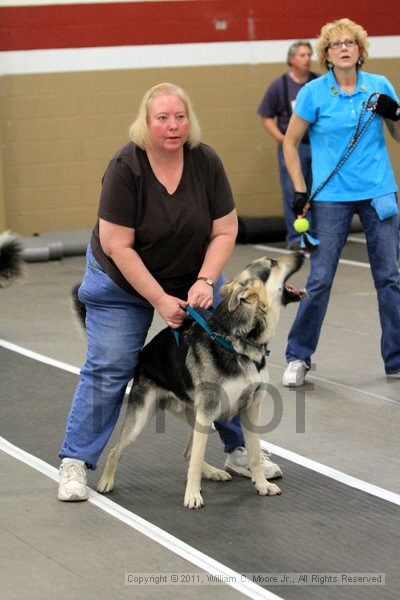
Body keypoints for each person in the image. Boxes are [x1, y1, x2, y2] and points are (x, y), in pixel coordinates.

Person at [58, 82, 282, 501]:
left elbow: (225, 228)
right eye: (162, 118)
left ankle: (237, 451)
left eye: (180, 117)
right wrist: (159, 300)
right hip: (122, 280)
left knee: (226, 352)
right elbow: (117, 245)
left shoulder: (205, 160)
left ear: (189, 120)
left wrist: (203, 280)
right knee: (111, 365)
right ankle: (75, 462)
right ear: (146, 123)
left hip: (189, 273)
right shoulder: (126, 167)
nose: (173, 126)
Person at [281, 18, 400, 387]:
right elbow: (289, 142)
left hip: (378, 192)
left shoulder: (379, 85)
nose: (344, 48)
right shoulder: (315, 93)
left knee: (390, 278)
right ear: (327, 55)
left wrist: (394, 113)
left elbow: (397, 133)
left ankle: (396, 359)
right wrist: (300, 189)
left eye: (351, 42)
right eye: (336, 44)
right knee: (319, 279)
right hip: (331, 198)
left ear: (360, 50)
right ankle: (298, 356)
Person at [257, 40, 318, 249]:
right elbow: (266, 116)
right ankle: (296, 237)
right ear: (291, 59)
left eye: (309, 54)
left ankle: (317, 234)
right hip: (294, 147)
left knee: (316, 189)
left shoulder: (318, 83)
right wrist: (284, 140)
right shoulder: (279, 86)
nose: (307, 59)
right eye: (302, 55)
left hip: (317, 146)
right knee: (294, 190)